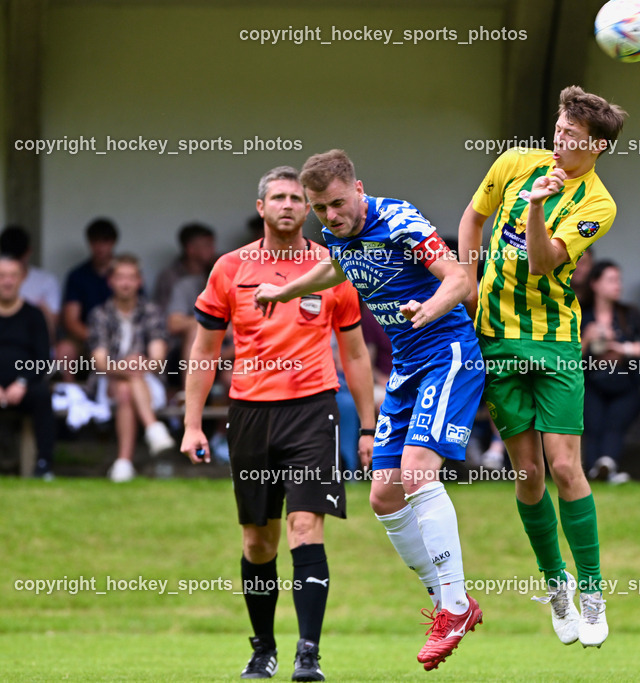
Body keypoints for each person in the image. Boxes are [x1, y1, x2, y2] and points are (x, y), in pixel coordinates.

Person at [254, 151, 484, 672]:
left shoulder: (399, 219)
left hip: (445, 353)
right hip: (405, 366)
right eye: (320, 210)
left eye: (337, 203)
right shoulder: (338, 233)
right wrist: (285, 289)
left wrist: (426, 309)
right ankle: (451, 598)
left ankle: (452, 606)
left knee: (419, 474)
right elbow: (335, 268)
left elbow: (459, 279)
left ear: (359, 189)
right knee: (383, 496)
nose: (330, 217)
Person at [181, 166, 376, 681]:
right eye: (280, 197)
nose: (289, 205)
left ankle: (307, 653)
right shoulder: (229, 268)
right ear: (262, 206)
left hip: (313, 410)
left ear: (309, 209)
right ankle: (262, 648)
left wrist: (368, 428)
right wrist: (192, 424)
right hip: (249, 414)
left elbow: (354, 354)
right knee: (257, 542)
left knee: (306, 528)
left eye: (298, 198)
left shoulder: (334, 267)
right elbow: (204, 350)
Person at [458, 85, 627, 648]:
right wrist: (466, 283)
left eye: (572, 138)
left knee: (564, 467)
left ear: (597, 146)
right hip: (496, 340)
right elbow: (472, 219)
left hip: (553, 342)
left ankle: (593, 590)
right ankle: (556, 585)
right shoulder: (514, 162)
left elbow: (540, 263)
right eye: (557, 130)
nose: (558, 143)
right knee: (528, 474)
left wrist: (534, 203)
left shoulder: (597, 204)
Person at [88, 254, 174, 482]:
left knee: (128, 386)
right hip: (108, 383)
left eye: (131, 278)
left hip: (148, 383)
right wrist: (125, 366)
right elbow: (99, 362)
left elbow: (158, 359)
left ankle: (123, 462)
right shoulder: (99, 314)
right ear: (111, 281)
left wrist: (135, 364)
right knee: (126, 381)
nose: (125, 283)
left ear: (140, 281)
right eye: (120, 277)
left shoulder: (152, 312)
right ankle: (153, 428)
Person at [580, 260, 640, 484]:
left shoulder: (630, 314)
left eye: (619, 280)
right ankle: (597, 469)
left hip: (625, 381)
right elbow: (567, 360)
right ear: (595, 284)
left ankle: (606, 464)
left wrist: (625, 349)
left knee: (615, 419)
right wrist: (588, 339)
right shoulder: (581, 315)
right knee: (591, 420)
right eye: (611, 280)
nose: (618, 285)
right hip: (592, 381)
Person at [0, 254, 56, 477]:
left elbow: (43, 359)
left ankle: (44, 465)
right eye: (2, 276)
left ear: (22, 279)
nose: (7, 281)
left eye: (13, 276)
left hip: (24, 387)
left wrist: (22, 383)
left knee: (43, 396)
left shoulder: (34, 315)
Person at [0, 226, 61, 338]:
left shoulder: (46, 281)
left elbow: (52, 329)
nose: (8, 282)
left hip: (32, 341)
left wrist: (40, 309)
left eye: (17, 259)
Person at [59, 218, 118, 357]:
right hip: (87, 337)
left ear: (113, 242)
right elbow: (71, 321)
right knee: (65, 349)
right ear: (89, 243)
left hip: (122, 337)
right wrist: (98, 339)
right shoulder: (77, 275)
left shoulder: (126, 274)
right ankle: (69, 380)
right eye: (95, 241)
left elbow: (137, 314)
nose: (100, 247)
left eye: (105, 241)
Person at [153, 222, 217, 310]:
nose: (213, 250)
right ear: (191, 249)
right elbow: (164, 315)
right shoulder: (169, 277)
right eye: (207, 245)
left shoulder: (215, 271)